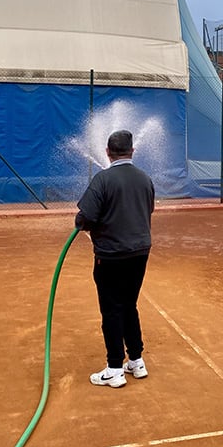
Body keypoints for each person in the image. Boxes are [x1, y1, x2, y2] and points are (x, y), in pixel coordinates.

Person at [75, 129, 155, 388]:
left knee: (111, 309)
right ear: (132, 151)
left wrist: (86, 224)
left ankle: (114, 368)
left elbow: (84, 218)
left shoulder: (103, 179)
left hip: (111, 257)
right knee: (129, 304)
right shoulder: (145, 179)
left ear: (108, 153)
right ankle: (136, 361)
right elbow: (148, 209)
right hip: (140, 254)